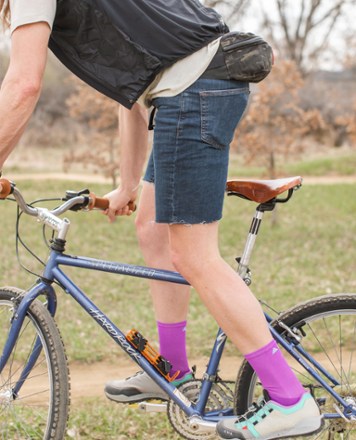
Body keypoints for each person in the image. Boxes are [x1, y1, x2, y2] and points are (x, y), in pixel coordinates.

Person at [0, 1, 322, 438]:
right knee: (150, 228)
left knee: (194, 256)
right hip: (189, 86)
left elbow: (22, 84)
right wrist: (128, 186)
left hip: (194, 88)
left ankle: (290, 400)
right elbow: (132, 95)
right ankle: (170, 370)